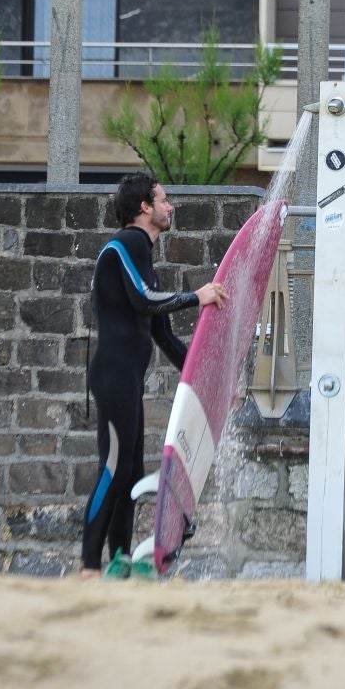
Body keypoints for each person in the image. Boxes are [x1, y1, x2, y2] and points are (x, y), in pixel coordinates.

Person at [80, 172, 228, 579]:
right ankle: (89, 565)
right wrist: (195, 296)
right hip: (113, 374)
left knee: (129, 472)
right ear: (144, 207)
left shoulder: (143, 256)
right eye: (163, 200)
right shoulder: (127, 243)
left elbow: (163, 335)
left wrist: (208, 381)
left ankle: (120, 559)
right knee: (113, 467)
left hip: (127, 377)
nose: (170, 206)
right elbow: (144, 300)